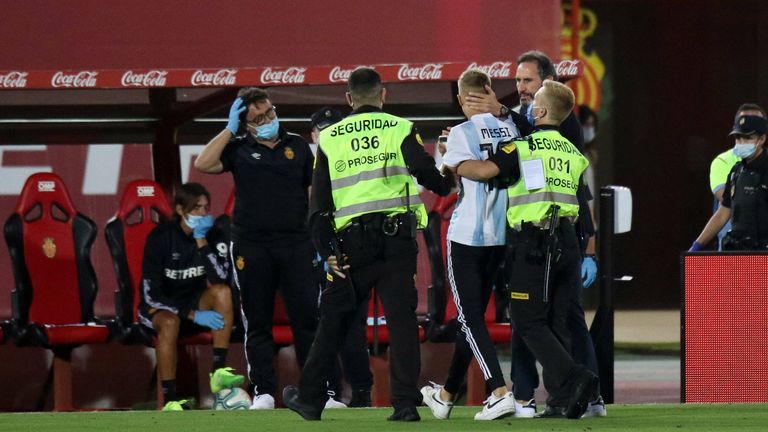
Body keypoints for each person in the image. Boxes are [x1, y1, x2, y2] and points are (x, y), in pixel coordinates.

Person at [282, 67, 455, 422]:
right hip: (397, 243)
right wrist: (447, 168)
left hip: (350, 248)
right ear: (383, 95)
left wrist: (328, 252)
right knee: (402, 323)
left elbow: (317, 208)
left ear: (348, 99)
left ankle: (311, 399)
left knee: (333, 320)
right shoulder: (399, 127)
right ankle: (405, 405)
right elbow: (429, 177)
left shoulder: (329, 139)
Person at [464, 50, 604, 417]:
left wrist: (452, 162)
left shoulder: (522, 148)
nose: (523, 94)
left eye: (530, 90)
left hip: (534, 244)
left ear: (540, 111)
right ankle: (562, 400)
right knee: (559, 321)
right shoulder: (576, 157)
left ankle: (576, 380)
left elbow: (486, 171)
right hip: (566, 242)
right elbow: (581, 199)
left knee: (528, 321)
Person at [195, 87, 342, 409]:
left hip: (296, 243)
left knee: (308, 319)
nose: (267, 120)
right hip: (251, 245)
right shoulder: (237, 149)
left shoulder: (298, 146)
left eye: (269, 113)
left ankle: (319, 391)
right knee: (257, 320)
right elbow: (204, 164)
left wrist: (319, 239)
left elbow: (313, 193)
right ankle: (263, 392)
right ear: (245, 124)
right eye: (258, 118)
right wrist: (229, 130)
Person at [420, 69, 519, 421]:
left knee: (468, 316)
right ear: (488, 92)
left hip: (467, 236)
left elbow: (463, 178)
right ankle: (446, 395)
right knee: (471, 317)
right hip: (500, 235)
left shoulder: (462, 132)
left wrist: (464, 161)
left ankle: (499, 390)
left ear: (462, 100)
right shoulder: (512, 128)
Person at [138, 182, 244, 411]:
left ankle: (218, 372)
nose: (204, 214)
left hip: (195, 301)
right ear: (180, 211)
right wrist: (192, 314)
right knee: (169, 322)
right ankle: (170, 400)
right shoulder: (160, 238)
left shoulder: (213, 234)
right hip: (162, 307)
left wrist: (202, 242)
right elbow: (150, 293)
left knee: (223, 294)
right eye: (197, 208)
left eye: (206, 208)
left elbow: (220, 279)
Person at [309, 106, 374, 408]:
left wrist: (331, 253)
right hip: (314, 258)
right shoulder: (307, 168)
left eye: (333, 128)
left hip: (346, 253)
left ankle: (357, 392)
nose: (328, 135)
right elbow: (310, 216)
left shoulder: (350, 165)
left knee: (346, 324)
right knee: (328, 323)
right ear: (313, 135)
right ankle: (331, 391)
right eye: (322, 130)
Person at [690, 110, 768, 251]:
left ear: (762, 139)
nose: (741, 143)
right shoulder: (736, 171)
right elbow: (723, 212)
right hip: (739, 252)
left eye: (747, 138)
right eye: (738, 138)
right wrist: (697, 245)